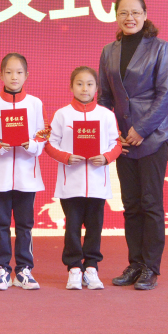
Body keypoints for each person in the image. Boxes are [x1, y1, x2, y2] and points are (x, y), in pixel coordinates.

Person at [98, 0, 168, 291]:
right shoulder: (109, 51)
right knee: (130, 204)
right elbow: (104, 97)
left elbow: (165, 93)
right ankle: (135, 264)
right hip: (123, 139)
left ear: (144, 14)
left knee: (150, 203)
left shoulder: (160, 47)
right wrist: (111, 133)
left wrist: (141, 129)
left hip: (153, 136)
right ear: (116, 16)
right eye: (123, 13)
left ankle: (150, 268)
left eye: (135, 12)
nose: (129, 18)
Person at [0, 53, 47, 290]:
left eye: (19, 72)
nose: (14, 77)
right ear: (0, 75)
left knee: (25, 224)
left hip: (27, 175)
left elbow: (43, 134)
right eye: (8, 72)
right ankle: (2, 269)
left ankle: (24, 269)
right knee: (1, 223)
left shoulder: (35, 103)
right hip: (1, 175)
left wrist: (31, 145)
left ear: (27, 75)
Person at [45, 67, 121, 290]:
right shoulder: (62, 114)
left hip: (98, 184)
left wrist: (106, 158)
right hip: (71, 184)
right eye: (79, 84)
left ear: (97, 88)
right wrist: (66, 157)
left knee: (95, 227)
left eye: (89, 84)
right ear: (71, 87)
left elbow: (116, 144)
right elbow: (49, 143)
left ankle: (91, 268)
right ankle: (74, 269)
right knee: (72, 227)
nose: (84, 88)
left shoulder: (106, 115)